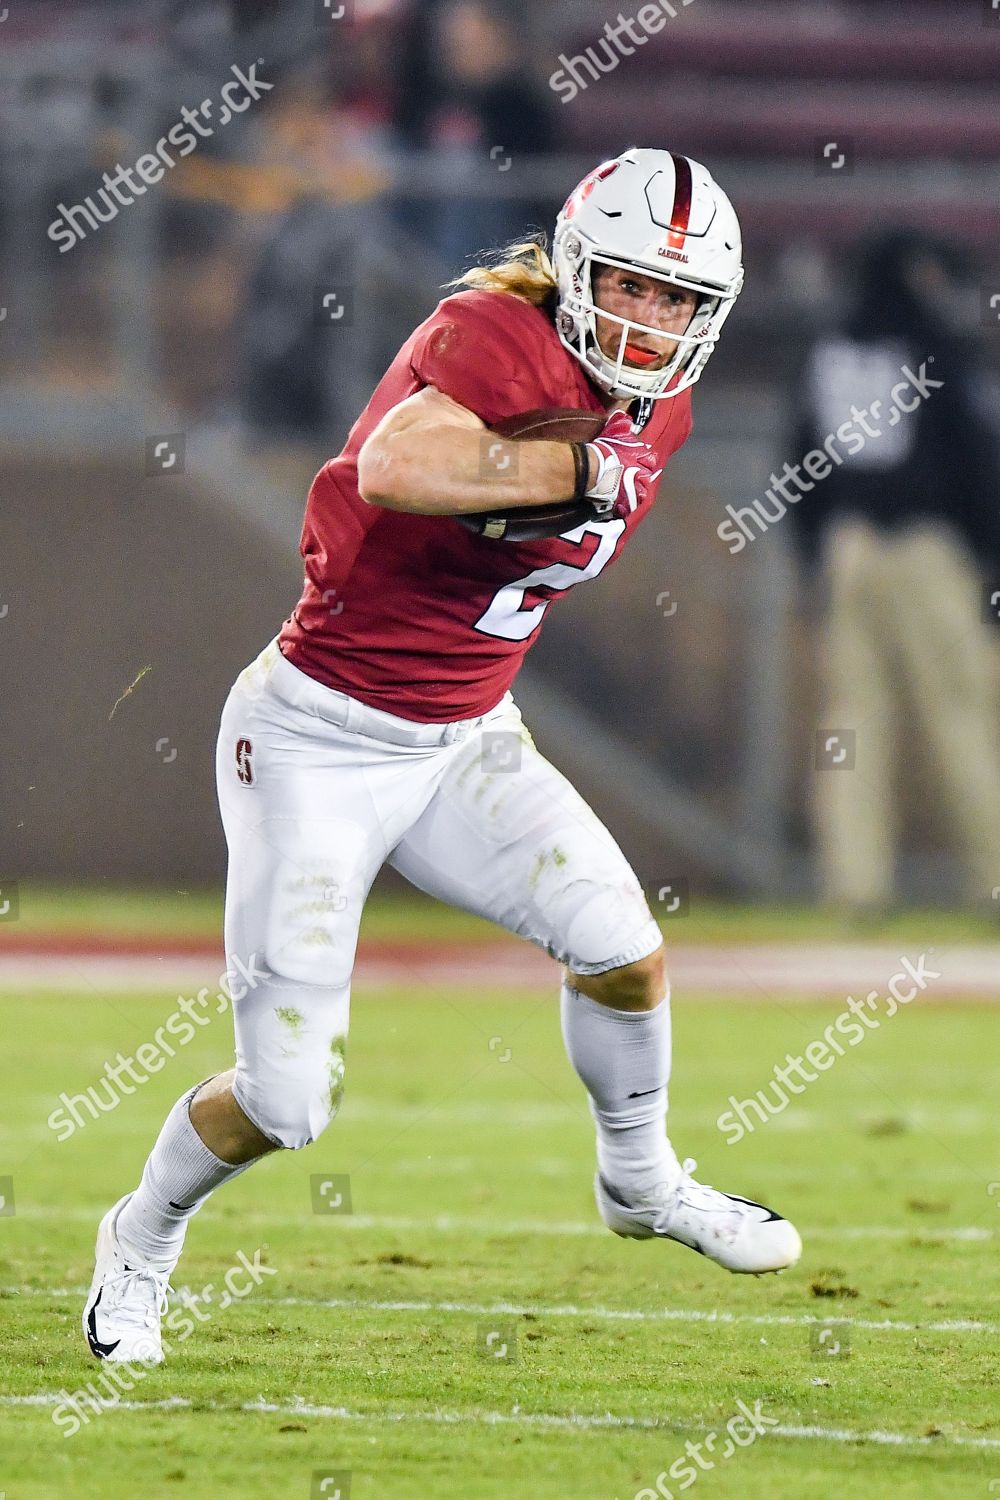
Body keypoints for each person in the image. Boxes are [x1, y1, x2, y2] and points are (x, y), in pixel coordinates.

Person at [84, 147, 800, 1365]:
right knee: (287, 1102)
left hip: (464, 738)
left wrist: (583, 470)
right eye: (629, 286)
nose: (650, 319)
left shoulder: (660, 400)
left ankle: (641, 1183)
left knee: (623, 952)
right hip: (317, 733)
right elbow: (394, 465)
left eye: (677, 299)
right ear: (577, 272)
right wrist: (572, 466)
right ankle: (138, 1238)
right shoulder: (495, 333)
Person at [789, 229, 1000, 911]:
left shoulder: (828, 349)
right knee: (961, 716)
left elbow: (798, 465)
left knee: (851, 727)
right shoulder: (933, 348)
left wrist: (814, 557)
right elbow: (974, 463)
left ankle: (854, 886)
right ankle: (991, 874)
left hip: (851, 551)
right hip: (925, 552)